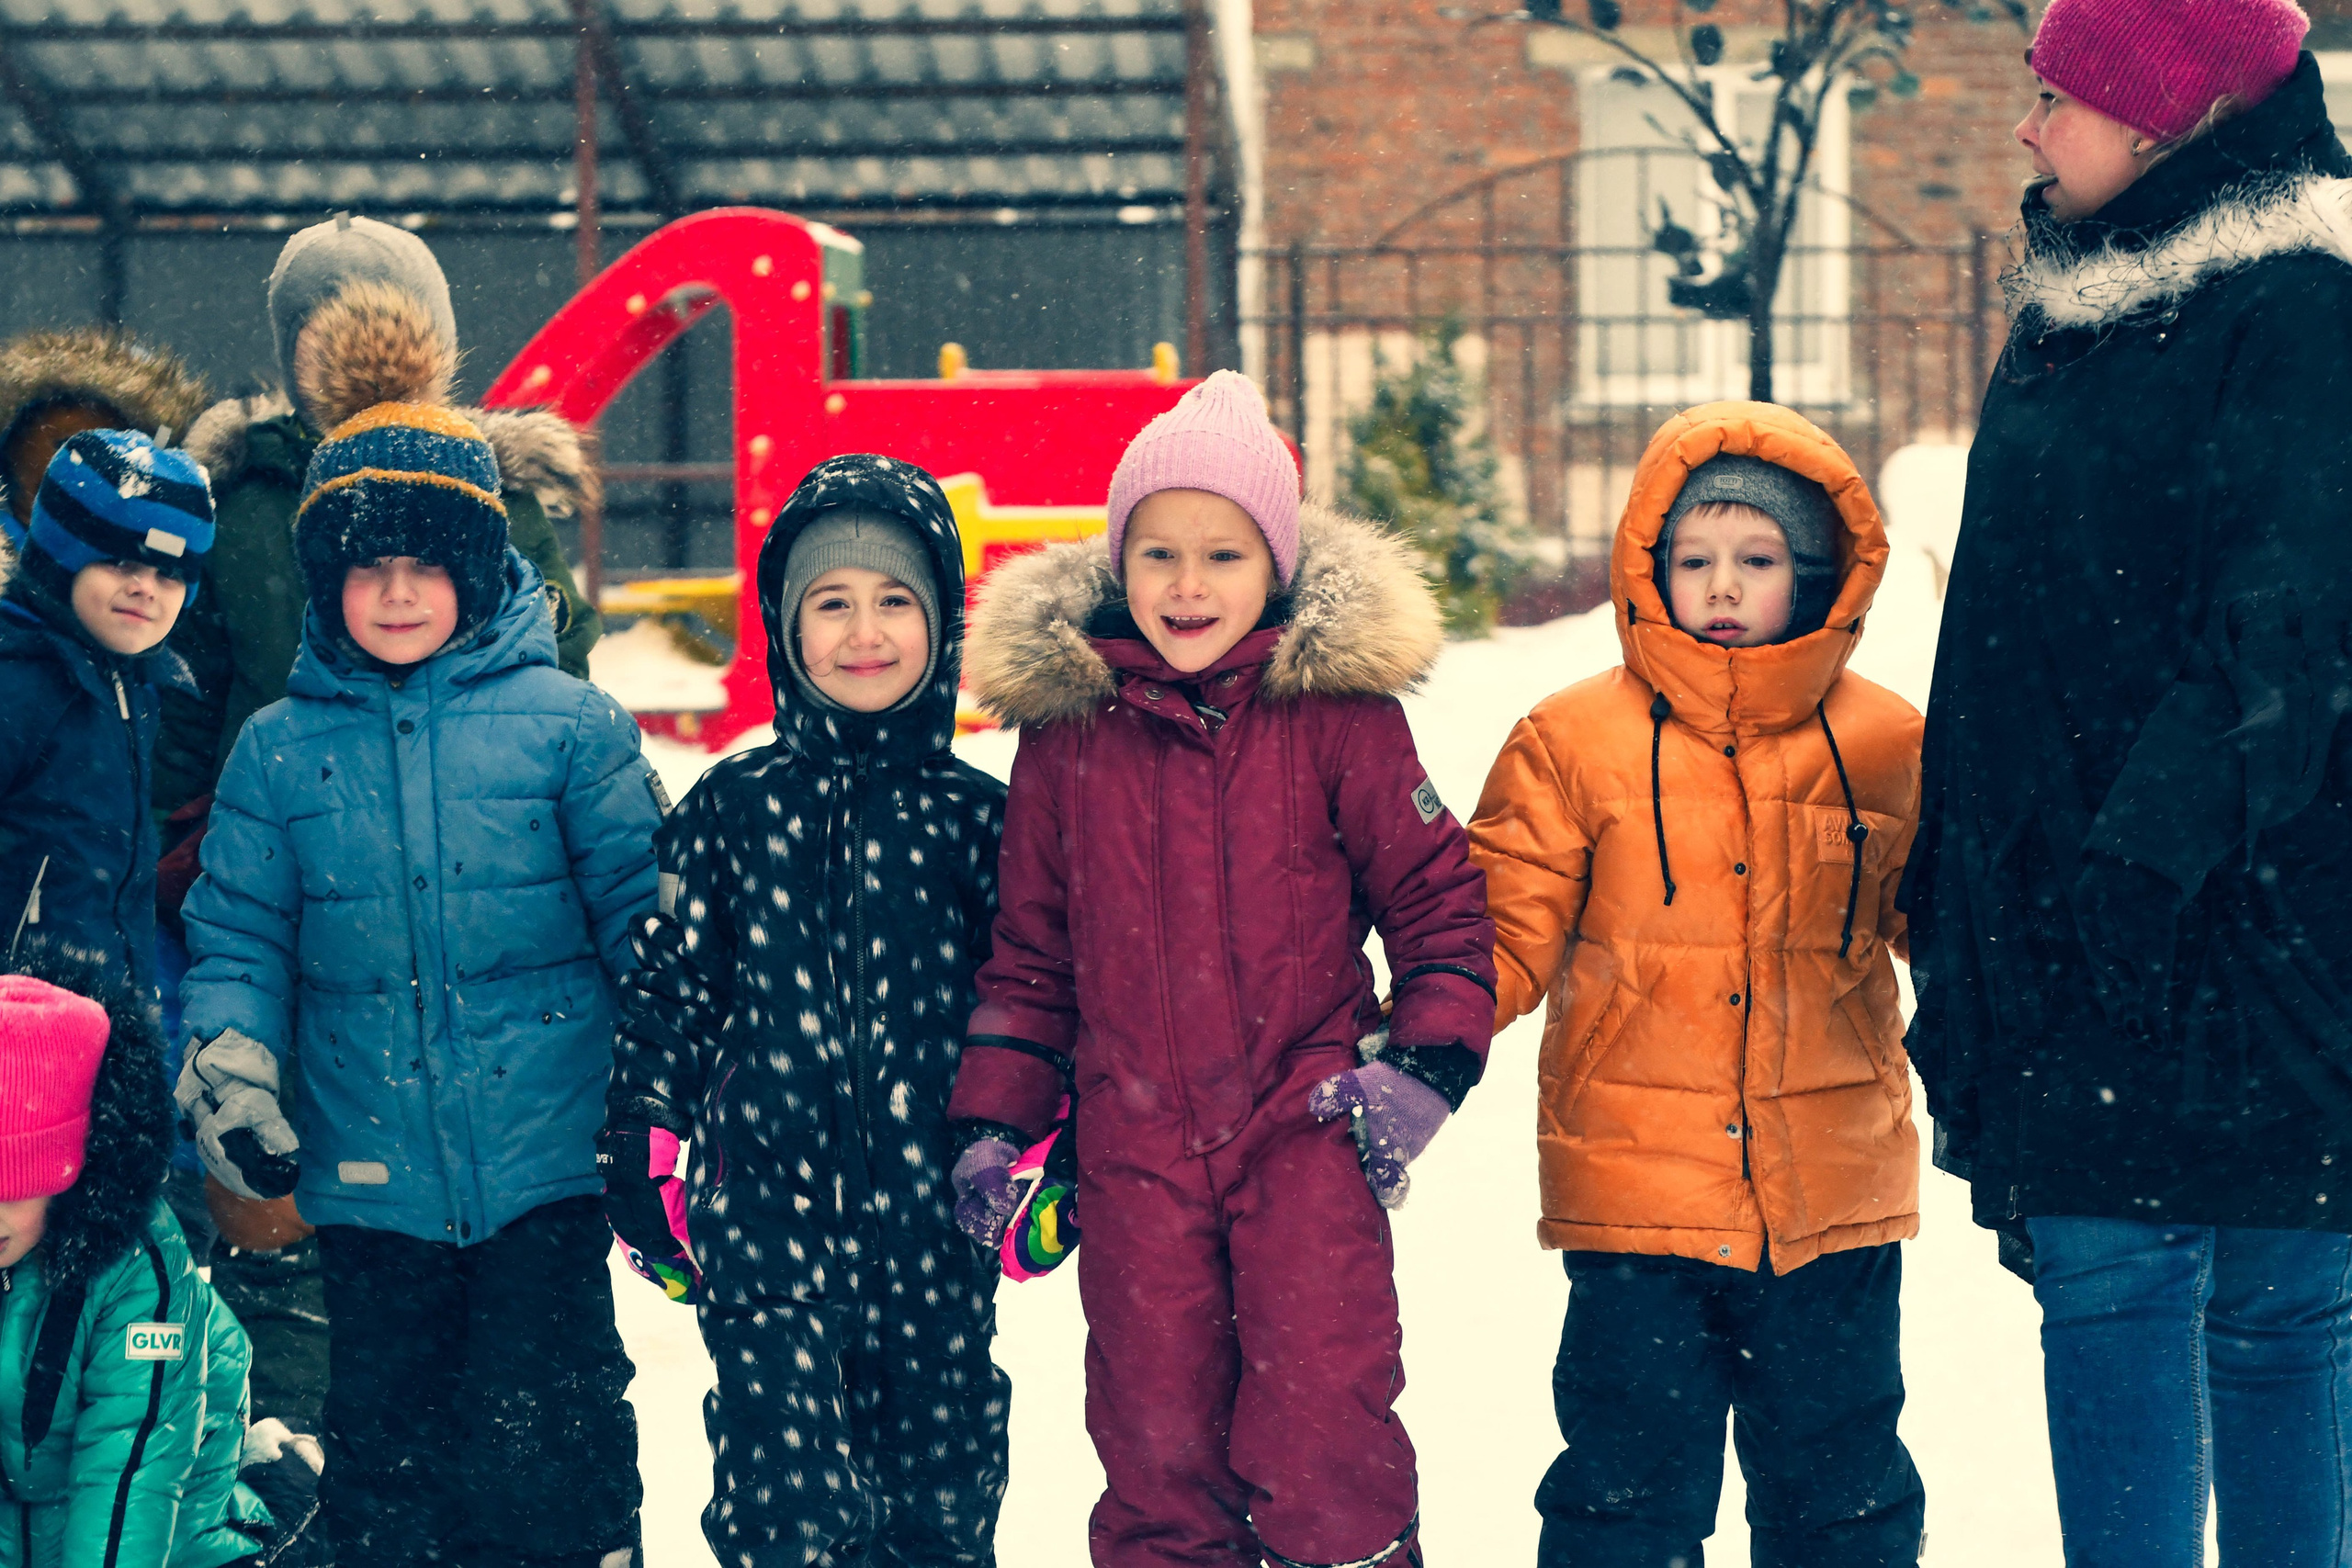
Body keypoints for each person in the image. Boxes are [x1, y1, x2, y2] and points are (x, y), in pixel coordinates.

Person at [1897, 1, 2352, 1562]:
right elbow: (2007, 619)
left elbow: (2292, 625)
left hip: (2245, 910)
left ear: (2164, 120)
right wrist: (1955, 861)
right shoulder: (2075, 307)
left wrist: (2137, 865)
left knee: (2269, 1306)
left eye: (2056, 97)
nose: (2027, 128)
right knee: (2112, 1280)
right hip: (2068, 906)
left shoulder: (2301, 309)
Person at [944, 371, 1496, 1568]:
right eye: (1157, 553)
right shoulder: (1070, 731)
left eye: (1223, 553)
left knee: (1323, 1429)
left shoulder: (1334, 714)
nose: (1187, 586)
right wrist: (996, 1121)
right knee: (1154, 1448)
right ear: (1117, 562)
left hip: (1304, 1125)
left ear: (1275, 570)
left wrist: (1426, 1061)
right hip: (1133, 1146)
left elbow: (1438, 898)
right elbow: (1030, 959)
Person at [173, 283, 662, 1568]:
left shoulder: (572, 729)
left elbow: (645, 926)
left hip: (547, 1169)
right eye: (366, 568)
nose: (396, 593)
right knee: (392, 1457)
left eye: (425, 565)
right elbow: (239, 942)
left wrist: (666, 1087)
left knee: (550, 1446)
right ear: (326, 583)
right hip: (369, 1179)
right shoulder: (278, 753)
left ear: (479, 568)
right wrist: (233, 1067)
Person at [1469, 402, 1926, 1566]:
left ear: (1817, 575)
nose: (1721, 584)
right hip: (1635, 1200)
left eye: (1757, 560)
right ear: (1647, 569)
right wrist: (1419, 1035)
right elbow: (1495, 931)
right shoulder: (1572, 741)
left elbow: (1961, 937)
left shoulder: (1888, 745)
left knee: (1843, 1493)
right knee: (1624, 1491)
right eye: (1693, 559)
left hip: (1829, 1202)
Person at [607, 454, 1012, 1566]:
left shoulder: (981, 823)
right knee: (784, 1510)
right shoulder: (735, 809)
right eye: (830, 604)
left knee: (938, 1500)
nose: (862, 631)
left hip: (937, 1234)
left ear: (943, 622)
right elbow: (673, 989)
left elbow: (1032, 1005)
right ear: (786, 626)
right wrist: (646, 1136)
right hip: (766, 1231)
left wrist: (1034, 1150)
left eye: (895, 602)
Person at [162, 210, 600, 818]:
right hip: (277, 834)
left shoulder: (487, 491)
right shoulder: (242, 504)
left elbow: (561, 664)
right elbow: (187, 702)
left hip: (470, 832)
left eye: (379, 331)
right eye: (324, 333)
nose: (357, 358)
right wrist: (175, 836)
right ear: (291, 353)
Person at [0, 953, 272, 1568]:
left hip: (158, 1509)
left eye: (14, 1186)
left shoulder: (139, 1266)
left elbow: (130, 1468)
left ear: (69, 1169)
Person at [0, 430, 213, 998]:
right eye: (121, 562)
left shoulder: (138, 686)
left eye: (169, 575)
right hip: (22, 1011)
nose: (146, 589)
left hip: (105, 1002)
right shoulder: (18, 677)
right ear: (61, 556)